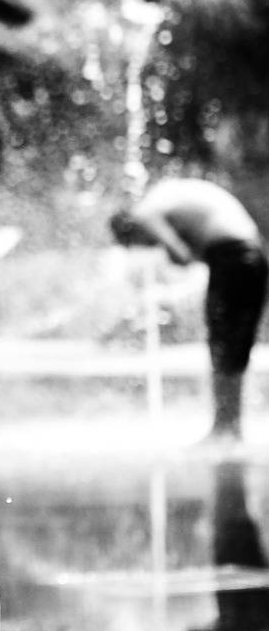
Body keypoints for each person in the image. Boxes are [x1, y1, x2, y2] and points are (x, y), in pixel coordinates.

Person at [110, 178, 268, 441]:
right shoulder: (169, 196)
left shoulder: (144, 211)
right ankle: (229, 425)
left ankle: (225, 428)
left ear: (131, 229)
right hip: (247, 255)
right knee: (232, 343)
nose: (150, 246)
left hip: (234, 257)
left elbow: (180, 254)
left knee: (226, 343)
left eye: (142, 242)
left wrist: (174, 250)